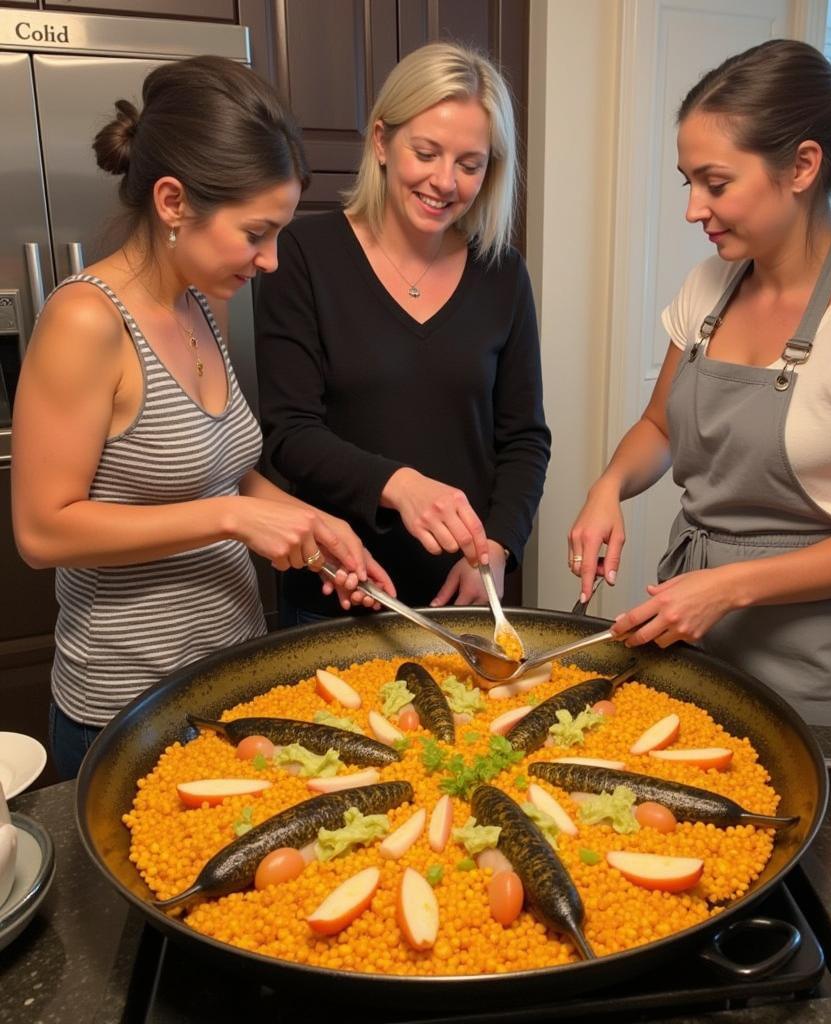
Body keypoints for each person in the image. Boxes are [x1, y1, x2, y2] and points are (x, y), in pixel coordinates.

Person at [11, 56, 393, 780]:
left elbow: (223, 471)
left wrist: (313, 526)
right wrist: (232, 520)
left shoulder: (200, 301)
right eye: (256, 233)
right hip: (126, 705)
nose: (272, 260)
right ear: (172, 201)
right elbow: (42, 530)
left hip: (225, 679)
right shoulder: (86, 319)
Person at [568, 39, 831, 732]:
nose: (694, 208)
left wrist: (728, 585)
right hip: (701, 642)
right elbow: (660, 425)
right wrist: (609, 488)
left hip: (824, 669)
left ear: (802, 166)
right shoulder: (709, 287)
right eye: (688, 181)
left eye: (715, 183)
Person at [255, 42, 550, 620]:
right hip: (338, 585)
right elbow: (289, 434)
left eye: (470, 164)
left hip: (463, 596)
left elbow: (524, 440)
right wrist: (399, 484)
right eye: (426, 152)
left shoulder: (502, 273)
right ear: (382, 142)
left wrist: (497, 546)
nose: (445, 181)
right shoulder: (304, 255)